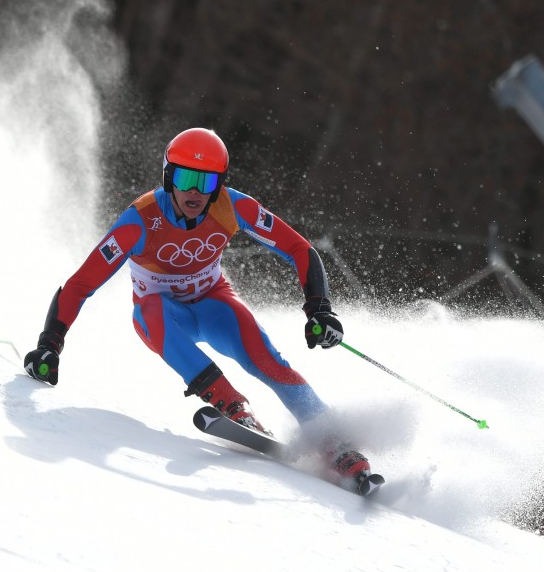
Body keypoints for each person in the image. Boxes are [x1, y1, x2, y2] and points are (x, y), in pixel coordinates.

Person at [22, 127, 376, 491]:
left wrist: (319, 308)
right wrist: (50, 343)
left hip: (213, 305)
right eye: (186, 178)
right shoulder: (139, 221)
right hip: (163, 316)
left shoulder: (232, 206)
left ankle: (338, 445)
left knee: (267, 358)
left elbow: (300, 250)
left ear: (219, 185)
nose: (194, 190)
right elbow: (81, 284)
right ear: (168, 177)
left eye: (206, 182)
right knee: (149, 313)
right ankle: (231, 404)